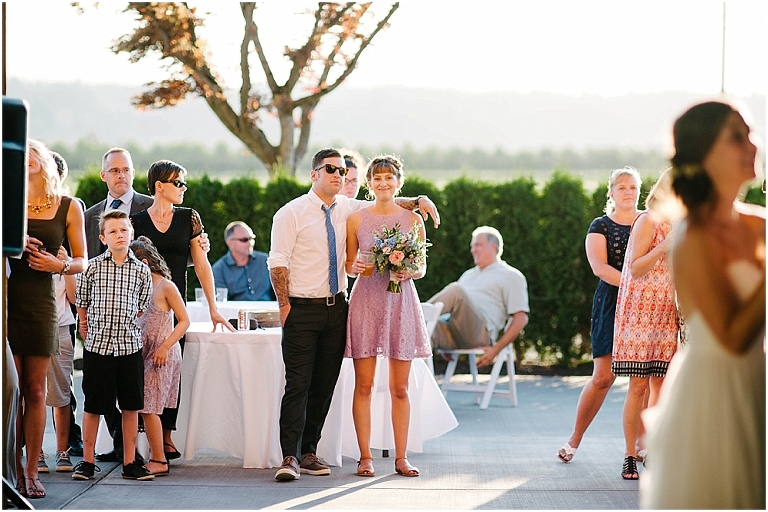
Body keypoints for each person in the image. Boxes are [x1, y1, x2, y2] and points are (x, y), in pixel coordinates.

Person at [268, 148, 440, 481]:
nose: (337, 174)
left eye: (342, 170)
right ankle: (290, 457)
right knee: (299, 385)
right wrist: (285, 307)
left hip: (341, 307)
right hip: (307, 308)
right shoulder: (292, 213)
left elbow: (390, 201)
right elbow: (278, 261)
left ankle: (310, 453)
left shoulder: (350, 207)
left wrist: (419, 200)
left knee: (324, 386)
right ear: (314, 174)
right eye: (329, 169)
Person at [640, 101, 765, 509]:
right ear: (703, 152)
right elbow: (731, 338)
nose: (753, 145)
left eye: (750, 133)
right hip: (715, 393)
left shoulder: (759, 225)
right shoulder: (691, 238)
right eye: (737, 136)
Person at [83, 147, 207, 462]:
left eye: (126, 169)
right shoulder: (95, 216)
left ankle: (157, 445)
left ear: (136, 174)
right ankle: (122, 447)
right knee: (115, 385)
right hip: (116, 314)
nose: (121, 175)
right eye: (114, 170)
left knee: (155, 383)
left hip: (162, 308)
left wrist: (201, 248)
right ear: (104, 176)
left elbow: (186, 259)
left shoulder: (163, 211)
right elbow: (93, 264)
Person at [131, 159, 234, 460]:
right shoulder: (136, 221)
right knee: (143, 371)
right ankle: (142, 439)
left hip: (176, 307)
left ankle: (166, 436)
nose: (183, 188)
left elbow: (201, 265)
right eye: (178, 183)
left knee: (172, 370)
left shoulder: (189, 218)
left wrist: (213, 308)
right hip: (142, 307)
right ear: (159, 186)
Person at [7, 139, 87, 499]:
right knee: (10, 392)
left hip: (41, 303)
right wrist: (12, 241)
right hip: (7, 300)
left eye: (33, 154)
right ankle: (10, 470)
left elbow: (84, 259)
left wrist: (61, 265)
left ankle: (31, 471)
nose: (27, 160)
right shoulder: (7, 204)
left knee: (36, 391)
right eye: (20, 155)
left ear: (46, 162)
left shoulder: (69, 207)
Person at [344, 155, 431, 477]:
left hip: (401, 302)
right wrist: (363, 266)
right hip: (366, 301)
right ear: (369, 184)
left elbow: (421, 267)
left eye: (388, 178)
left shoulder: (413, 221)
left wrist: (404, 268)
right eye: (377, 178)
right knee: (363, 385)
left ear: (399, 182)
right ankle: (365, 456)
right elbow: (350, 265)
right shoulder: (356, 219)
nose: (383, 183)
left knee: (400, 388)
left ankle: (401, 457)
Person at [557, 166, 641, 464]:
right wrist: (636, 286)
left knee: (641, 379)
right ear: (611, 193)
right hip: (612, 303)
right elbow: (600, 268)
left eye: (632, 187)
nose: (628, 192)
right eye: (622, 187)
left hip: (646, 307)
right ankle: (574, 439)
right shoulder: (600, 225)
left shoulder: (650, 222)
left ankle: (640, 445)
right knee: (604, 377)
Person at [73, 210, 154, 482]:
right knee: (94, 405)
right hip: (98, 347)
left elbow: (142, 307)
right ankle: (86, 461)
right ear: (102, 237)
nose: (119, 235)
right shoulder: (93, 267)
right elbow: (81, 302)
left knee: (130, 406)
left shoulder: (141, 270)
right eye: (113, 231)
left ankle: (130, 462)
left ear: (131, 233)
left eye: (123, 230)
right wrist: (84, 325)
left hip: (129, 348)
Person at [611, 169, 678, 479]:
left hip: (666, 311)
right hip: (639, 312)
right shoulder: (648, 220)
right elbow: (635, 267)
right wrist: (665, 246)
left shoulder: (681, 222)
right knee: (638, 385)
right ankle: (628, 454)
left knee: (661, 385)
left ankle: (653, 448)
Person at [427, 226, 529, 369]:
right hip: (455, 331)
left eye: (477, 245)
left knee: (455, 290)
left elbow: (521, 318)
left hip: (481, 333)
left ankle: (413, 313)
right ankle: (410, 388)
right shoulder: (468, 275)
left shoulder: (511, 276)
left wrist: (496, 349)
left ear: (493, 247)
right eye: (472, 246)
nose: (472, 250)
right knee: (422, 331)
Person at [130, 236, 189, 477]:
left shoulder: (165, 286)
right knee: (142, 405)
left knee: (149, 407)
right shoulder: (136, 286)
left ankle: (159, 459)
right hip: (142, 352)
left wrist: (164, 347)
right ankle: (139, 454)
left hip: (162, 353)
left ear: (144, 263)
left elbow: (184, 321)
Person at [43, 151, 84, 474]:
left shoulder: (69, 215)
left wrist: (64, 263)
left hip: (61, 322)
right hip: (29, 319)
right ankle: (34, 453)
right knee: (31, 393)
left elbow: (72, 295)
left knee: (60, 391)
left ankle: (61, 450)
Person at [212, 221, 273, 301]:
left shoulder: (266, 260)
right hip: (236, 312)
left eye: (251, 239)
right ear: (230, 243)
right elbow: (221, 301)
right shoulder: (219, 269)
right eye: (244, 240)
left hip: (267, 311)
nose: (250, 243)